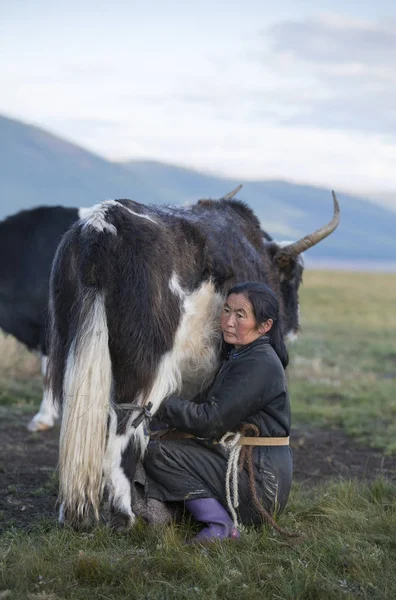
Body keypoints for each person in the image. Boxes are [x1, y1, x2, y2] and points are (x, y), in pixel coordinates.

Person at [143, 281, 292, 542]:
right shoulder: (243, 355)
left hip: (261, 485)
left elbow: (210, 421)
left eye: (240, 315)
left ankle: (220, 525)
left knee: (156, 450)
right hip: (257, 471)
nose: (228, 321)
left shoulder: (259, 363)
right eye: (226, 310)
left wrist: (160, 401)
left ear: (265, 325)